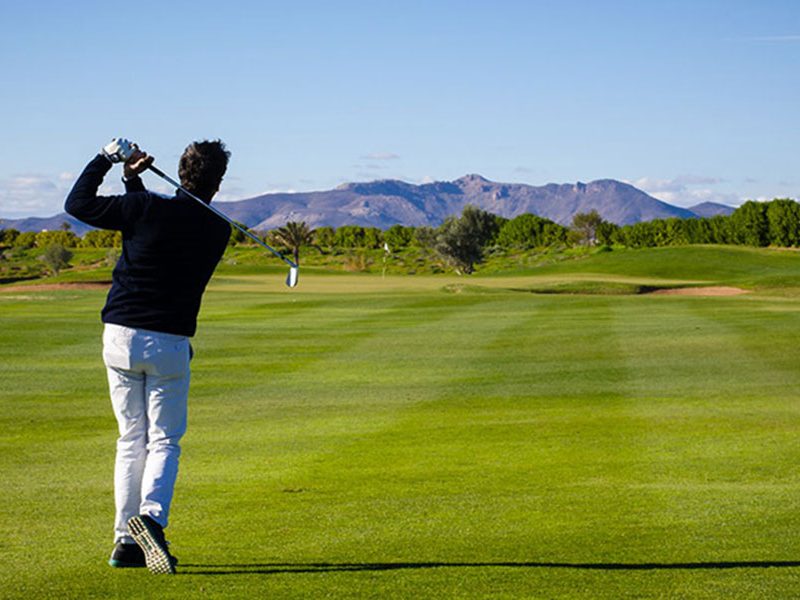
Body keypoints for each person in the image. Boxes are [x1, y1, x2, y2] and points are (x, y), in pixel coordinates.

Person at [65, 139, 232, 574]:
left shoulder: (145, 209)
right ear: (219, 181)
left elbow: (78, 203)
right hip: (170, 343)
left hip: (120, 336)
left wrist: (109, 160)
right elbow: (165, 221)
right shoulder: (218, 229)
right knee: (163, 440)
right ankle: (152, 521)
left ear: (181, 171)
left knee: (130, 439)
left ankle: (125, 541)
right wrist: (133, 181)